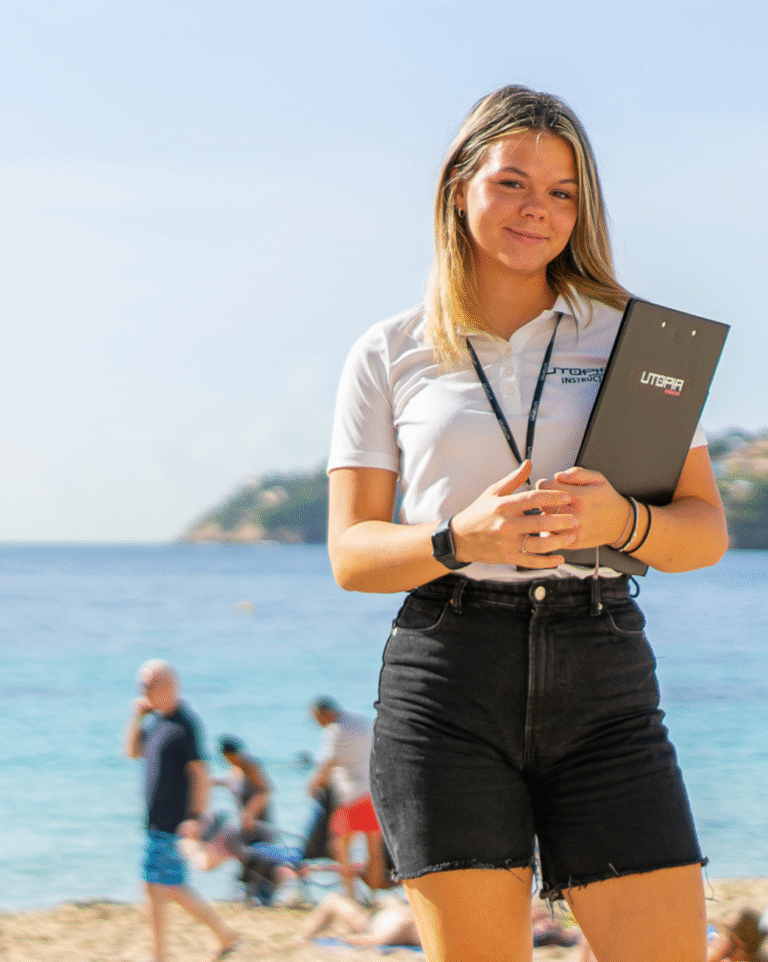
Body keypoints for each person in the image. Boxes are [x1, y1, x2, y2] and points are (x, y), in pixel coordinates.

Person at [326, 85, 728, 962]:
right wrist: (456, 540)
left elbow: (703, 531)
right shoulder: (388, 350)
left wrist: (621, 516)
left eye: (561, 191)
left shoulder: (637, 341)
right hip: (447, 677)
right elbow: (352, 555)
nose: (535, 210)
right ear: (460, 187)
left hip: (603, 671)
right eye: (512, 182)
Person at [124, 659, 241, 962]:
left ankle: (220, 934)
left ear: (167, 686)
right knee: (156, 886)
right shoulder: (156, 721)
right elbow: (131, 752)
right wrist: (136, 718)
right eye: (141, 687)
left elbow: (201, 775)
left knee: (168, 886)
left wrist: (197, 818)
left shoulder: (185, 724)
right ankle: (164, 952)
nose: (143, 692)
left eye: (148, 686)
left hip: (176, 822)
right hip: (156, 821)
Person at [308, 697, 390, 897]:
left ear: (325, 713)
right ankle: (374, 894)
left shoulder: (335, 731)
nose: (317, 723)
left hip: (351, 796)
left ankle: (351, 895)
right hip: (372, 790)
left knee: (340, 847)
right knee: (374, 849)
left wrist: (312, 786)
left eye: (317, 718)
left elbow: (327, 764)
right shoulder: (361, 719)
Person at [287, 891, 421, 949]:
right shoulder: (402, 925)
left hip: (372, 922)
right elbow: (374, 940)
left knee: (333, 900)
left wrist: (341, 941)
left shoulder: (399, 927)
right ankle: (302, 937)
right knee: (333, 900)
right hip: (378, 918)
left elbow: (373, 940)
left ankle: (302, 937)